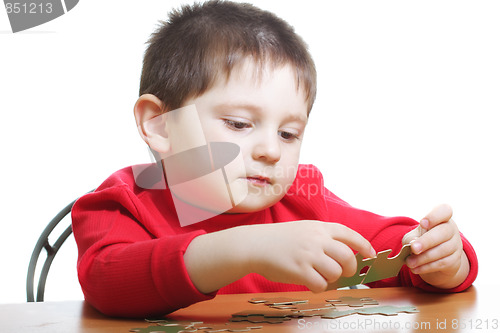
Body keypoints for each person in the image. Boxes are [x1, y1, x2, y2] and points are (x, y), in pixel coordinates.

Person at [72, 0, 478, 318]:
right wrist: (247, 247)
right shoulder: (122, 203)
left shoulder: (303, 200)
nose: (271, 150)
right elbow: (107, 282)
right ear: (160, 125)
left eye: (288, 134)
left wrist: (439, 259)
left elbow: (389, 247)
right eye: (238, 124)